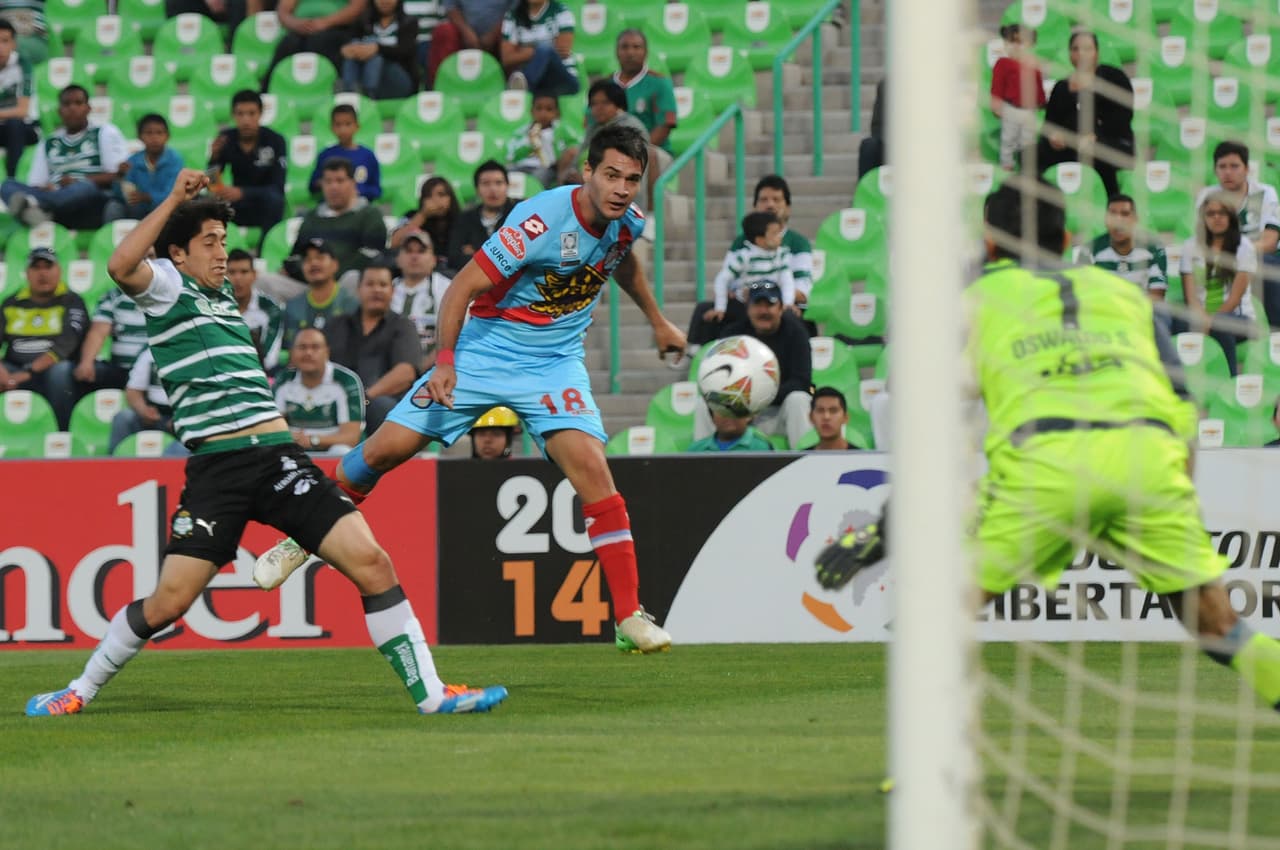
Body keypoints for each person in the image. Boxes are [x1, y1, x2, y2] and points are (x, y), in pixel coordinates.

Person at [24, 167, 506, 718]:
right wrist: (174, 199)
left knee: (373, 563)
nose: (221, 253)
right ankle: (78, 691)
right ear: (176, 254)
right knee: (168, 602)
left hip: (278, 459)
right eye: (209, 244)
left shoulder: (225, 297)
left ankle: (432, 695)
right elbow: (118, 265)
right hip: (216, 470)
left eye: (224, 243)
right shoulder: (167, 288)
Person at [813, 176, 1280, 718]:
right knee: (1219, 624)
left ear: (989, 244)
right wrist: (1175, 496)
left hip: (1047, 466)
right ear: (1067, 241)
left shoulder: (974, 301)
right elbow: (1181, 403)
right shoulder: (1125, 296)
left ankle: (925, 776)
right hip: (1146, 461)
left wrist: (889, 528)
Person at [254, 124, 686, 655]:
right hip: (484, 353)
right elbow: (461, 286)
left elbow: (623, 264)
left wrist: (658, 320)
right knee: (386, 450)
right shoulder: (540, 220)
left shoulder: (626, 224)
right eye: (612, 175)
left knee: (594, 470)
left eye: (633, 180)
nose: (622, 188)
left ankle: (628, 616)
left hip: (552, 364)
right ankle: (301, 539)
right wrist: (445, 364)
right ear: (588, 172)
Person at [693, 281, 813, 449]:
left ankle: (803, 460)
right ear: (748, 308)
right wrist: (742, 403)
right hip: (737, 412)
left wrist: (759, 398)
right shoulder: (733, 334)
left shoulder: (796, 333)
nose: (763, 311)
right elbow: (717, 375)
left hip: (775, 412)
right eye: (757, 305)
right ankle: (703, 461)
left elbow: (801, 381)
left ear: (780, 308)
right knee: (702, 403)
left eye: (770, 305)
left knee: (799, 399)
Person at [1, 84, 127, 230]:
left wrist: (78, 181)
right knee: (7, 185)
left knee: (84, 187)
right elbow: (36, 185)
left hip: (90, 204)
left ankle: (37, 207)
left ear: (88, 108)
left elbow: (116, 175)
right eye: (67, 104)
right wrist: (51, 188)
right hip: (59, 202)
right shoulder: (48, 142)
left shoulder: (104, 132)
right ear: (59, 111)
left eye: (78, 103)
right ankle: (42, 207)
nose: (72, 108)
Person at [324, 261, 422, 432]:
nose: (376, 290)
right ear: (358, 290)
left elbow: (405, 373)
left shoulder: (403, 326)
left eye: (383, 285)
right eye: (370, 284)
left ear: (393, 291)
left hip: (379, 403)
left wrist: (364, 399)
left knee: (381, 406)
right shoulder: (336, 325)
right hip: (333, 401)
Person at [1036, 29, 1134, 198]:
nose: (1081, 54)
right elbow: (1050, 124)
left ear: (1097, 53)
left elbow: (1123, 117)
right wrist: (1053, 137)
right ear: (1070, 55)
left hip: (1110, 143)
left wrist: (1096, 136)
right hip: (1071, 146)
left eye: (1087, 49)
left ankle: (1111, 202)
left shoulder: (1114, 78)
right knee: (1030, 154)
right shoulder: (1061, 87)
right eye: (1075, 49)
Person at [0, 247, 89, 427]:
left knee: (61, 371)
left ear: (59, 271)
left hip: (51, 368)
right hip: (14, 367)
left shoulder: (72, 301)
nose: (43, 273)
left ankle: (62, 432)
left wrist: (28, 372)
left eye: (48, 267)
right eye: (36, 267)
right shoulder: (11, 303)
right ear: (27, 273)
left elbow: (67, 344)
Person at [688, 210, 796, 347]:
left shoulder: (781, 255)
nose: (780, 237)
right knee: (706, 311)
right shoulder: (744, 257)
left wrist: (787, 302)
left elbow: (787, 280)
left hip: (771, 301)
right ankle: (695, 350)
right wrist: (720, 307)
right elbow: (722, 279)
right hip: (745, 303)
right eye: (774, 234)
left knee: (792, 317)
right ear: (760, 240)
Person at [1180, 192, 1257, 377]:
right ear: (1203, 218)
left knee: (1221, 325)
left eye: (1222, 213)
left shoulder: (1244, 247)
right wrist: (1203, 320)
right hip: (1199, 317)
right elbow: (1191, 297)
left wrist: (1210, 322)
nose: (1216, 218)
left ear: (1230, 217)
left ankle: (1230, 382)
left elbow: (1234, 299)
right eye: (1211, 213)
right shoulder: (1190, 246)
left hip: (1238, 319)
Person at [291, 157, 388, 285]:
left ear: (353, 183)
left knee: (353, 278)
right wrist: (311, 275)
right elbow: (295, 257)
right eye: (328, 181)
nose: (334, 187)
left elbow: (370, 257)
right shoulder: (312, 217)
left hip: (347, 286)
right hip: (310, 284)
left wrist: (329, 274)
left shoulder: (369, 215)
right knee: (265, 281)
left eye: (340, 181)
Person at [207, 89, 287, 233]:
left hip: (264, 204)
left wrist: (243, 192)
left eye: (251, 113)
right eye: (240, 114)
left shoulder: (275, 140)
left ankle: (266, 250)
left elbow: (278, 187)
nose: (246, 120)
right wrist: (213, 159)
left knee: (276, 200)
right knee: (201, 201)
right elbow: (212, 185)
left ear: (260, 114)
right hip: (236, 206)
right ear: (233, 115)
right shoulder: (225, 138)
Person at [275, 327, 365, 454]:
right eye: (302, 347)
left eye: (315, 347)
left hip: (331, 450)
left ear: (327, 352)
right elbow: (272, 428)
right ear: (292, 352)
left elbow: (351, 437)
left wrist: (313, 440)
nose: (308, 353)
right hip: (294, 448)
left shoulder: (346, 381)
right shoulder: (283, 380)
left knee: (341, 451)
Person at [733, 175, 814, 312]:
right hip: (746, 307)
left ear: (788, 207)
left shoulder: (798, 244)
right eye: (764, 200)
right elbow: (732, 285)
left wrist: (765, 292)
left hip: (785, 307)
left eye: (776, 200)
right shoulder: (742, 242)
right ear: (755, 207)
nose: (770, 205)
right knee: (704, 309)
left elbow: (802, 292)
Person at [1192, 141, 1280, 256]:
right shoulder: (1207, 196)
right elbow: (1204, 241)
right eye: (1222, 166)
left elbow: (1269, 243)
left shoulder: (1266, 193)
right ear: (1215, 170)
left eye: (1234, 166)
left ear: (1247, 169)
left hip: (1260, 259)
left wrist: (1238, 255)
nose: (1228, 172)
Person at [1078, 194, 1168, 302]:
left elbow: (1157, 296)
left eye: (1125, 214)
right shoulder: (1089, 250)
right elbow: (1084, 294)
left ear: (1135, 219)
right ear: (1106, 220)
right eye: (1112, 214)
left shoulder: (1154, 247)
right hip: (1105, 312)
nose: (1118, 221)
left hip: (1142, 311)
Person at [107, 347, 188, 456]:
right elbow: (133, 390)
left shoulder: (197, 356)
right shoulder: (150, 353)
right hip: (155, 413)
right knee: (124, 417)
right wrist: (143, 410)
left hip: (186, 415)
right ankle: (113, 466)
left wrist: (181, 418)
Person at [282, 238, 361, 349]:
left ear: (335, 265)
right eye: (307, 259)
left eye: (320, 257)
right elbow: (290, 349)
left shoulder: (352, 304)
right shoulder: (293, 307)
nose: (314, 263)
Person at [266, 0, 366, 87]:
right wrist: (295, 23)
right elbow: (283, 11)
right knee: (288, 44)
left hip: (336, 28)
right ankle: (267, 90)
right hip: (299, 28)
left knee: (319, 42)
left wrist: (325, 22)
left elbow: (357, 7)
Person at [391, 227, 452, 366]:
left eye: (421, 251)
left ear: (434, 259)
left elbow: (459, 334)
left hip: (435, 368)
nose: (414, 256)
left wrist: (422, 368)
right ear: (398, 259)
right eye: (408, 251)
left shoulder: (449, 289)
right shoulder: (386, 289)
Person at [613, 29, 676, 158]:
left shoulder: (660, 83)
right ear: (617, 52)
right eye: (624, 47)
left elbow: (664, 126)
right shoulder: (605, 85)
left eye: (636, 47)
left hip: (652, 152)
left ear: (646, 52)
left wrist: (636, 152)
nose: (630, 52)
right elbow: (593, 122)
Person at [990, 23, 1045, 172]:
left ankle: (1028, 170)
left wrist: (1041, 100)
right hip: (1010, 108)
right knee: (1008, 140)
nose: (1016, 46)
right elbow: (997, 85)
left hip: (1029, 110)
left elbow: (1038, 84)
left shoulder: (1033, 63)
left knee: (1028, 141)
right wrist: (996, 104)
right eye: (1012, 42)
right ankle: (1006, 167)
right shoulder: (1003, 63)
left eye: (1020, 42)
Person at [446, 160, 517, 272]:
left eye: (498, 183)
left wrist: (476, 253)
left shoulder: (519, 213)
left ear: (507, 186)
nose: (493, 189)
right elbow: (454, 258)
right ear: (476, 189)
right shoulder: (465, 219)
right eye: (486, 184)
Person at [340, 0, 419, 100]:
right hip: (363, 73)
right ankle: (349, 93)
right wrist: (349, 50)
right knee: (356, 45)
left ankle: (367, 94)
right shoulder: (363, 21)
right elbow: (347, 45)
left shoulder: (408, 22)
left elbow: (405, 52)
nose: (384, 1)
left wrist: (377, 48)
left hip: (398, 80)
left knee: (374, 52)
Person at [499, 0, 578, 96]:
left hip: (563, 79)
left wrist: (525, 51)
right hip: (537, 82)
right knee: (545, 49)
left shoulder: (561, 11)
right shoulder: (512, 15)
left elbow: (562, 51)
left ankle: (525, 86)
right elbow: (507, 58)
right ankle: (524, 86)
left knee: (545, 49)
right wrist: (540, 51)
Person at [426, 0, 510, 86]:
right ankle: (440, 87)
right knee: (444, 32)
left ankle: (512, 88)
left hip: (503, 32)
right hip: (462, 32)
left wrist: (494, 33)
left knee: (511, 38)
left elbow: (514, 9)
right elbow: (451, 7)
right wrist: (467, 32)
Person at [228, 248, 285, 373]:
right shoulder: (215, 306)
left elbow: (270, 358)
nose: (238, 278)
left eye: (244, 272)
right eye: (231, 272)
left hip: (259, 375)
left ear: (254, 275)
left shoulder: (271, 309)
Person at [119, 113, 184, 220]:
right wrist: (120, 177)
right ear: (139, 137)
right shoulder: (132, 161)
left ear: (167, 136)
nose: (154, 138)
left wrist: (148, 197)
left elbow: (174, 193)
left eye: (159, 133)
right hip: (140, 210)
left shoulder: (175, 160)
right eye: (149, 133)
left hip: (167, 210)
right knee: (115, 207)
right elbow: (124, 194)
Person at [505, 92, 577, 188]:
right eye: (539, 109)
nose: (543, 113)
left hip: (547, 168)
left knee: (539, 176)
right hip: (523, 165)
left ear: (557, 113)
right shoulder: (522, 132)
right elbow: (511, 155)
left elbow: (573, 147)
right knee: (506, 172)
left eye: (549, 109)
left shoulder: (561, 130)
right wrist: (529, 142)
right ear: (531, 111)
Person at [310, 104, 381, 201]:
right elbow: (313, 186)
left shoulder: (368, 156)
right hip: (332, 207)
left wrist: (358, 191)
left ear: (357, 126)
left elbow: (376, 190)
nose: (343, 130)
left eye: (348, 124)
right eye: (338, 125)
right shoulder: (325, 155)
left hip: (360, 207)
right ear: (332, 128)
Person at [0, 18, 37, 180]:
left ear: (14, 44)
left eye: (5, 41)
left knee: (15, 125)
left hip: (26, 128)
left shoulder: (23, 65)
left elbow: (23, 110)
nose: (0, 47)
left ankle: (12, 180)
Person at [389, 175, 459, 257]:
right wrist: (423, 215)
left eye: (441, 194)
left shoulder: (463, 219)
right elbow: (394, 243)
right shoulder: (411, 216)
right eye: (429, 196)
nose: (435, 200)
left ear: (451, 197)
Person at [685, 408, 773, 453]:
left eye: (734, 409)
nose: (727, 416)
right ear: (712, 417)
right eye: (721, 410)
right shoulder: (696, 449)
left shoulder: (762, 447)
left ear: (748, 416)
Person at [806, 386, 855, 451]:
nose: (826, 417)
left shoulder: (862, 458)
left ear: (845, 418)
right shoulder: (800, 459)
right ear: (811, 417)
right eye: (820, 410)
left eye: (833, 410)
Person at [857, 77, 886, 179]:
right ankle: (865, 192)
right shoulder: (885, 86)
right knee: (869, 146)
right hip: (889, 145)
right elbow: (877, 126)